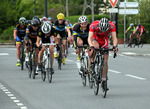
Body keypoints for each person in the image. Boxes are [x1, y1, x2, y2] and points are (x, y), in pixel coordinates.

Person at [88, 17, 118, 84]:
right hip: (95, 39)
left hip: (104, 40)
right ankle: (92, 62)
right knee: (96, 47)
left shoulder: (112, 26)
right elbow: (89, 38)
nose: (102, 32)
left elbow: (114, 37)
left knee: (105, 61)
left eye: (105, 31)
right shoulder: (93, 25)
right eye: (101, 30)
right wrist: (91, 46)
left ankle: (104, 80)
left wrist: (115, 46)